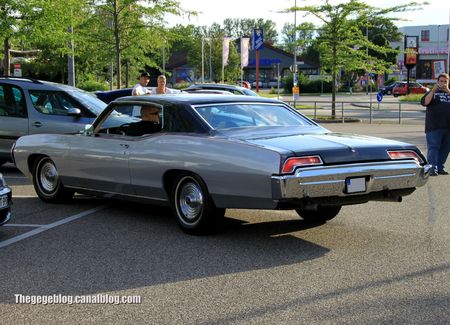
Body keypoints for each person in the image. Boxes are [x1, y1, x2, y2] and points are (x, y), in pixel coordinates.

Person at [421, 73, 450, 176]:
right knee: (434, 147)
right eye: (441, 81)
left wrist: (448, 91)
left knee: (446, 149)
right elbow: (425, 102)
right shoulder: (432, 92)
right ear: (437, 82)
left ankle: (440, 167)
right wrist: (433, 91)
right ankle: (432, 168)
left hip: (448, 127)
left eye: (445, 81)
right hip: (434, 126)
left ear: (448, 82)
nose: (442, 83)